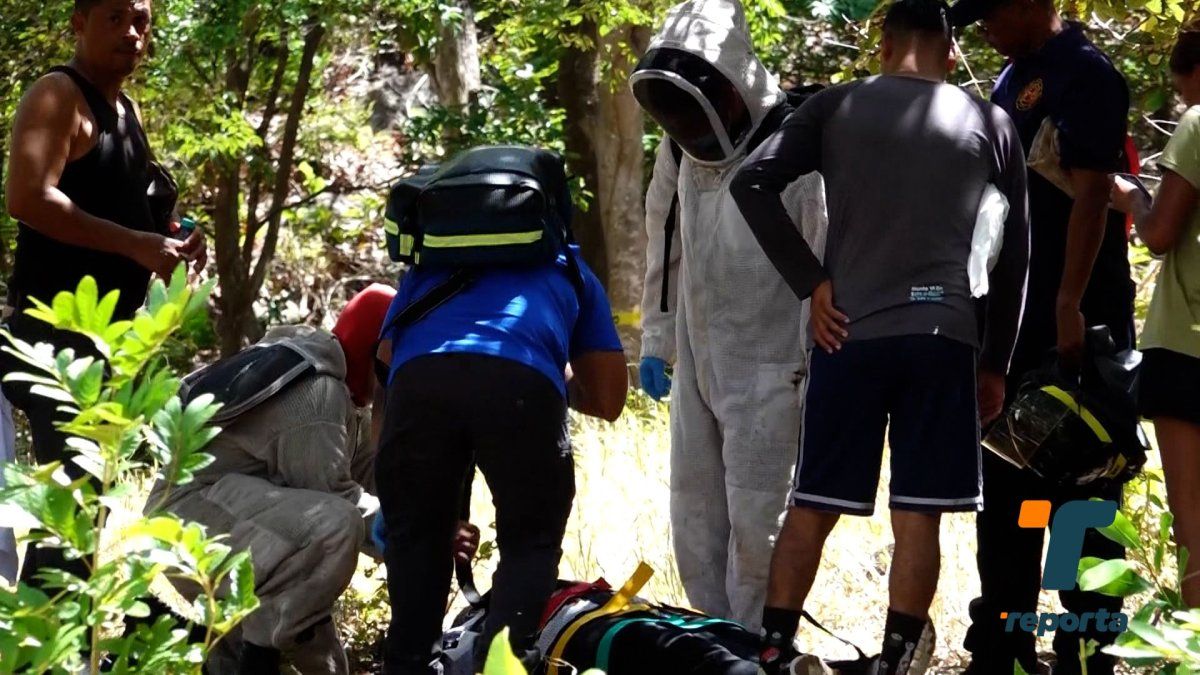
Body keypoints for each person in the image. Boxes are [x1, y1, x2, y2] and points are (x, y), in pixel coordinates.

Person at [731, 1, 1030, 672]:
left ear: (884, 44)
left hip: (849, 333)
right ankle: (896, 657)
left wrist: (810, 281)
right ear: (952, 55)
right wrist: (996, 360)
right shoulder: (991, 121)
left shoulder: (835, 107)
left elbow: (752, 181)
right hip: (943, 334)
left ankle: (775, 649)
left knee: (813, 500)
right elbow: (1015, 253)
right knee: (918, 511)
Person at [947, 0, 1136, 670]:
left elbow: (1092, 191)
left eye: (992, 12)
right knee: (1008, 493)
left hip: (1078, 319)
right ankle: (1004, 643)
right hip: (1011, 322)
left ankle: (1086, 646)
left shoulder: (1084, 73)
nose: (985, 29)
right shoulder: (1008, 79)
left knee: (1084, 492)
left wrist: (1068, 300)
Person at [630, 0, 827, 632]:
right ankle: (713, 639)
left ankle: (761, 642)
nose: (686, 122)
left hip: (773, 364)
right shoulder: (678, 149)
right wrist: (657, 339)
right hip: (698, 354)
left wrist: (812, 362)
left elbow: (821, 256)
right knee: (694, 511)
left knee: (758, 518)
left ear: (735, 80)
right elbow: (663, 235)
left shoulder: (797, 141)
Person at [2, 0, 206, 588]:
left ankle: (63, 644)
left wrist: (169, 240)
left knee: (85, 512)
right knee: (67, 516)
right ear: (79, 22)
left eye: (140, 19)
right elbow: (27, 197)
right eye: (114, 18)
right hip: (53, 338)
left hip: (105, 342)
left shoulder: (125, 110)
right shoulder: (57, 94)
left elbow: (119, 210)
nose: (131, 32)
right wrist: (134, 245)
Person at [143, 285, 431, 675]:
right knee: (335, 525)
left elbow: (372, 479)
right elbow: (333, 504)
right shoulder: (318, 393)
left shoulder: (337, 387)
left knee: (311, 662)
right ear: (379, 347)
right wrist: (410, 532)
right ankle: (254, 656)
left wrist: (431, 521)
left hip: (229, 520)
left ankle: (221, 654)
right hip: (189, 519)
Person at [375, 240, 627, 673]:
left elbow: (385, 357)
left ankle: (408, 665)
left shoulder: (430, 265)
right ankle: (502, 666)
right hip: (522, 388)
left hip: (417, 386)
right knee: (530, 546)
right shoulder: (567, 266)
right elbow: (608, 398)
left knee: (415, 544)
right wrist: (544, 364)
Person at [1111, 30, 1200, 608]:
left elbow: (1161, 233)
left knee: (1194, 520)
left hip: (1187, 344)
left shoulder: (1198, 123)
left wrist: (1133, 200)